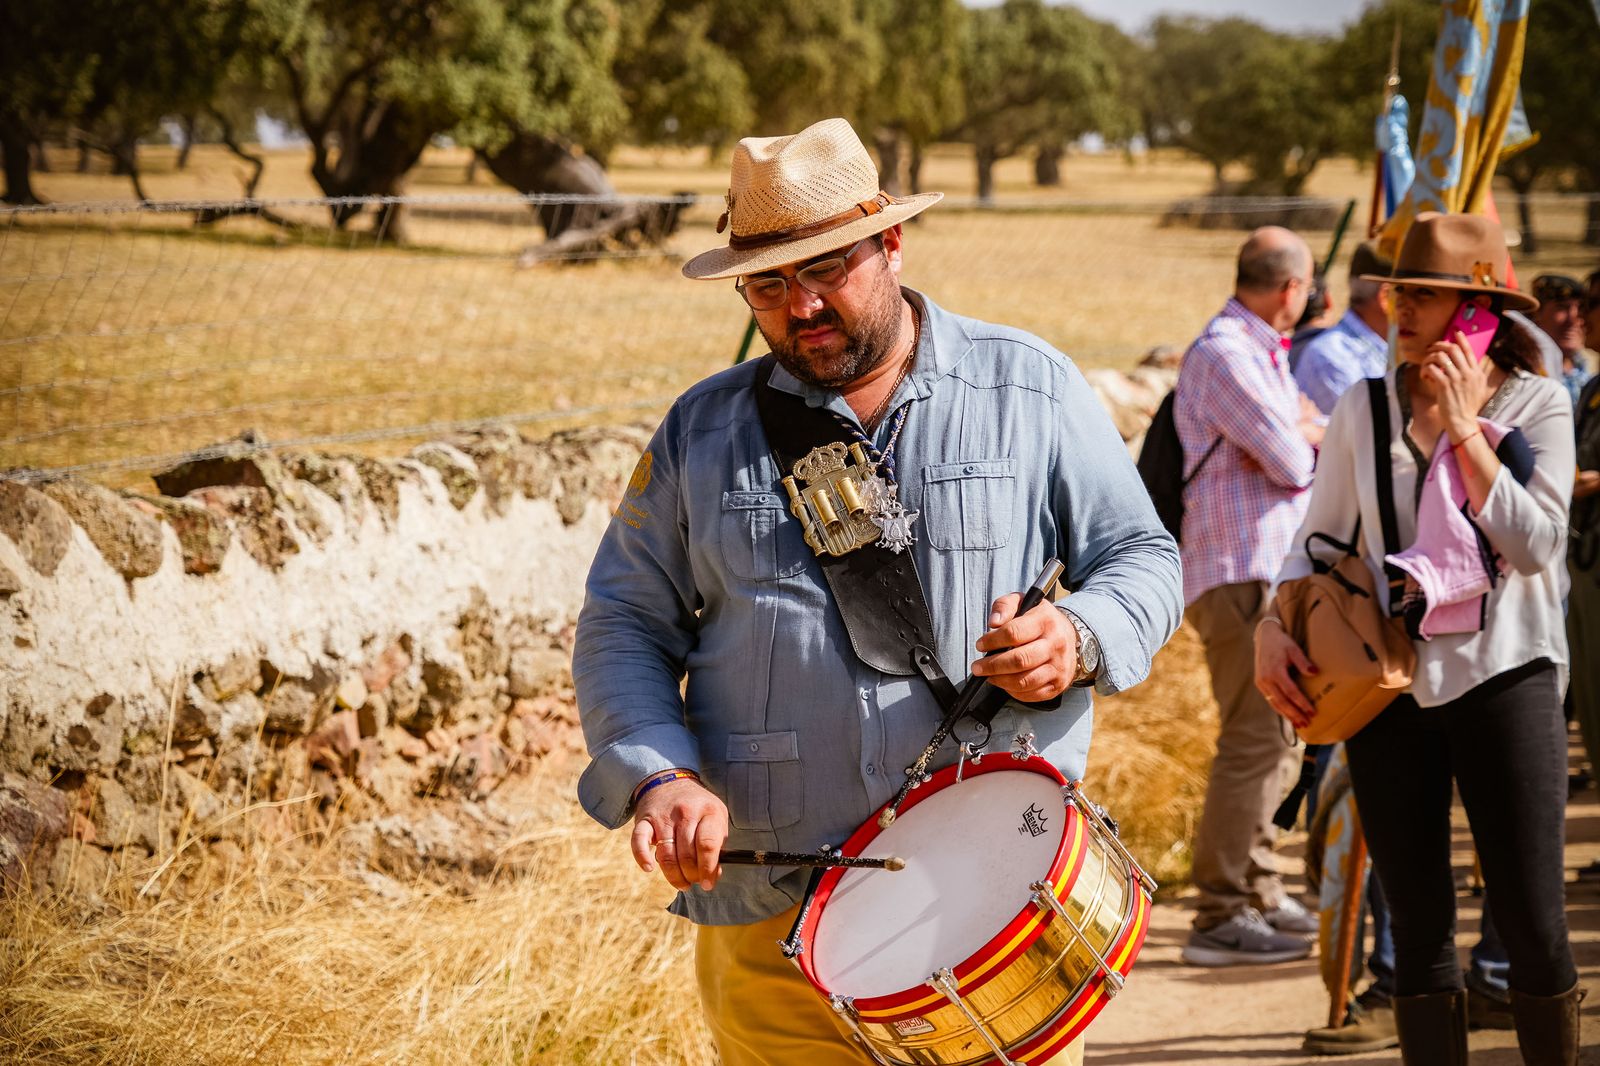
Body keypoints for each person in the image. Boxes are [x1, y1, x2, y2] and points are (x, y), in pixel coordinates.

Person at [572, 118, 1183, 1066]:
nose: (802, 305)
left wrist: (1080, 632)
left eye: (828, 268)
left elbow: (1144, 556)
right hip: (773, 922)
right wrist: (659, 774)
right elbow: (623, 621)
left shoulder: (1031, 387)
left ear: (892, 241)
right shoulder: (703, 430)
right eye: (768, 284)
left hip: (994, 909)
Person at [1255, 212, 1581, 1064]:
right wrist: (1269, 624)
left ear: (1480, 312)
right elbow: (1314, 540)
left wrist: (1465, 430)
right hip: (1388, 689)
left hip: (1509, 678)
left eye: (1426, 296)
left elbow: (1537, 545)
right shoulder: (1364, 405)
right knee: (1416, 926)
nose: (1400, 309)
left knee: (1532, 920)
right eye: (1400, 291)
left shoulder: (1540, 405)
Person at [1174, 226, 1323, 966]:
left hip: (1262, 572)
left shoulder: (1255, 350)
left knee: (1280, 738)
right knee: (1255, 739)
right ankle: (1221, 911)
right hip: (1239, 573)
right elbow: (1298, 460)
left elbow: (1301, 439)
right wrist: (1300, 430)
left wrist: (1300, 428)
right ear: (1292, 289)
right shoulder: (1227, 353)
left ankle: (1258, 888)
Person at [1293, 242, 1393, 418]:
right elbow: (1369, 437)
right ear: (1385, 297)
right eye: (1416, 292)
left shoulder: (1363, 349)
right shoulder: (1334, 357)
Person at [1531, 274, 1592, 408]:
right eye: (1562, 307)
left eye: (1581, 308)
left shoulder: (1586, 375)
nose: (1574, 319)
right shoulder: (1527, 373)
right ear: (1537, 313)